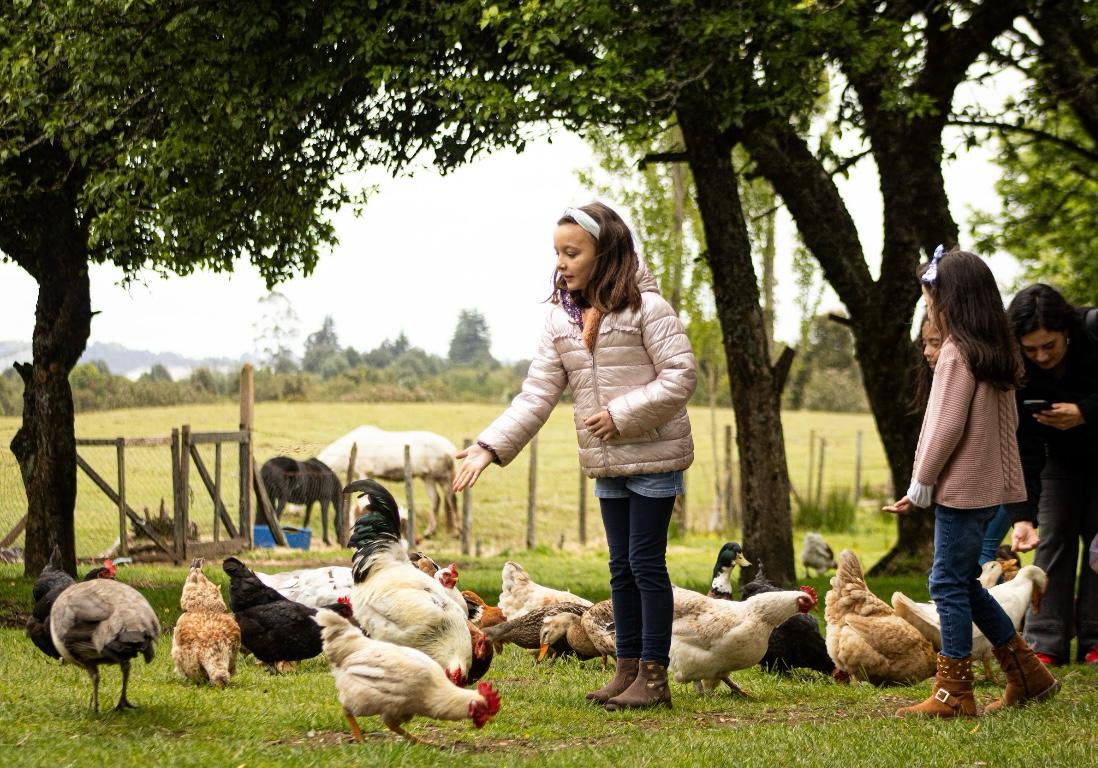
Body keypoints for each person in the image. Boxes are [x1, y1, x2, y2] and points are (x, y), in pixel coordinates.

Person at [452, 202, 696, 710]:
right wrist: (488, 446)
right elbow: (537, 393)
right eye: (557, 253)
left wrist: (622, 414)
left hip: (653, 456)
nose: (561, 262)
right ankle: (627, 670)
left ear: (605, 254)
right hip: (608, 463)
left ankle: (654, 677)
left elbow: (680, 377)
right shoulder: (561, 323)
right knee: (620, 569)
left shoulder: (649, 310)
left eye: (572, 252)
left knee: (645, 565)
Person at [884, 247, 1059, 718]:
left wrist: (921, 483)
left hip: (962, 487)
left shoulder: (958, 354)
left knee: (945, 583)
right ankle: (1028, 674)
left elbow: (944, 426)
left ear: (952, 300)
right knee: (963, 581)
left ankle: (954, 693)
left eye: (931, 300)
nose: (930, 310)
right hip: (989, 488)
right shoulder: (994, 353)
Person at [1006, 284, 1098, 666]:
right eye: (1031, 349)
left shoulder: (1094, 334)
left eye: (1050, 346)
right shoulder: (1017, 368)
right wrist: (1023, 515)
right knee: (1053, 538)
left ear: (1068, 332)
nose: (1041, 356)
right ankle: (1044, 641)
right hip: (1057, 461)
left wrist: (1084, 413)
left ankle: (1095, 639)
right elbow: (1023, 445)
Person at [912, 312, 1012, 567]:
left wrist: (921, 483)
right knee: (964, 575)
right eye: (925, 343)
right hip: (976, 488)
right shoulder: (947, 379)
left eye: (935, 342)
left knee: (960, 572)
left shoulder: (967, 366)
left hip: (982, 488)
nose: (926, 351)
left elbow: (950, 428)